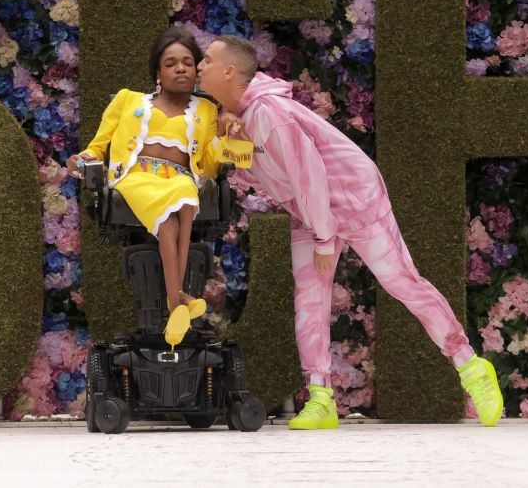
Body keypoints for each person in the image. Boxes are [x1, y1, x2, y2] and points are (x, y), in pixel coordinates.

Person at [196, 34, 504, 429]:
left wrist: (325, 238)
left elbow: (309, 175)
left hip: (352, 199)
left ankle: (473, 369)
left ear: (228, 71)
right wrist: (223, 139)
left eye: (206, 59)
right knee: (309, 298)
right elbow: (255, 165)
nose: (199, 66)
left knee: (401, 281)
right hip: (310, 212)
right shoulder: (244, 114)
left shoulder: (271, 113)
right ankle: (321, 397)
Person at [67, 26, 221, 347]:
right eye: (171, 63)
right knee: (168, 220)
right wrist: (81, 159)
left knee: (183, 199)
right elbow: (97, 147)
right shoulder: (128, 100)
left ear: (196, 70)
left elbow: (209, 162)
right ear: (158, 72)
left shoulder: (207, 110)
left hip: (179, 177)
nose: (180, 68)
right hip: (137, 175)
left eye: (188, 62)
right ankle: (177, 301)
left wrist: (232, 142)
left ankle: (177, 302)